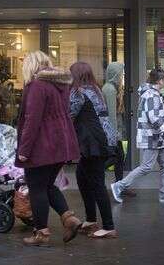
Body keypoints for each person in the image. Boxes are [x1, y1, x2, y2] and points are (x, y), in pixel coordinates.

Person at [15, 50, 82, 247]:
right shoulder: (59, 85)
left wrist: (24, 149)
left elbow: (32, 120)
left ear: (31, 66)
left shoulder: (37, 85)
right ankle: (69, 219)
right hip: (60, 145)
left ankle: (41, 233)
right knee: (48, 185)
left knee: (36, 188)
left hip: (42, 146)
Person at [110, 69, 164, 204]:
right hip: (152, 137)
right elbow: (153, 116)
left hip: (157, 138)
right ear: (159, 81)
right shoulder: (151, 95)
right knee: (146, 167)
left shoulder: (153, 94)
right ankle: (119, 185)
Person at [70, 62, 118, 239]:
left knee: (97, 183)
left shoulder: (78, 92)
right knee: (82, 177)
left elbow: (69, 114)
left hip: (93, 144)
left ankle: (109, 226)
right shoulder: (95, 90)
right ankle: (90, 220)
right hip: (102, 140)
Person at [102, 62, 136, 197]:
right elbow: (111, 115)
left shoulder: (112, 88)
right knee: (115, 157)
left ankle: (120, 185)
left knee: (119, 158)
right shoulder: (109, 89)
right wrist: (114, 134)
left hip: (114, 131)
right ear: (115, 74)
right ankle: (94, 174)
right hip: (112, 132)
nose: (122, 76)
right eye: (120, 74)